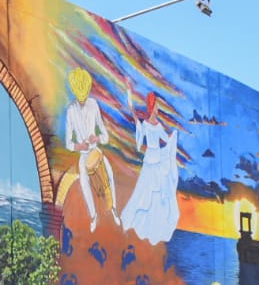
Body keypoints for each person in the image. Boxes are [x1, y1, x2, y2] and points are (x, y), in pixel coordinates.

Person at [119, 88, 181, 244]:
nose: (158, 109)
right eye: (157, 106)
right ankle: (136, 223)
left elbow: (166, 140)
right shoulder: (146, 124)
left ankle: (154, 228)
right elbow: (133, 113)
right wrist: (128, 91)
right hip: (150, 161)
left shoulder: (159, 126)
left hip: (158, 160)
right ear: (152, 107)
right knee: (144, 192)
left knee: (157, 196)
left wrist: (173, 137)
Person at [64, 67, 122, 232]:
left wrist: (96, 138)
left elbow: (105, 136)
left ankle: (114, 209)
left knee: (109, 174)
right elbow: (68, 142)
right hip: (83, 155)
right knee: (84, 182)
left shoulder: (94, 105)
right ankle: (93, 216)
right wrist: (79, 146)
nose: (82, 100)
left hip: (96, 150)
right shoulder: (70, 111)